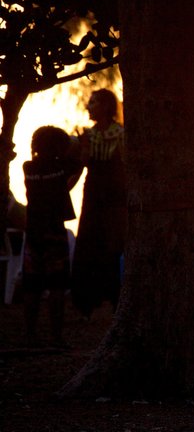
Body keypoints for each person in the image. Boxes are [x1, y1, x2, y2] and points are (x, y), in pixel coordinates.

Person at [70, 88, 127, 321]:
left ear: (105, 106)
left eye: (93, 102)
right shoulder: (88, 135)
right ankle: (87, 303)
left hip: (114, 198)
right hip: (93, 196)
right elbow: (82, 166)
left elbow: (125, 165)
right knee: (89, 245)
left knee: (114, 246)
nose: (89, 106)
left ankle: (116, 300)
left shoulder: (121, 134)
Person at [23, 126, 82, 347]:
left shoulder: (27, 167)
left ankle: (30, 335)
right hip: (55, 233)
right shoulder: (63, 166)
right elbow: (77, 160)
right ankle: (56, 337)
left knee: (32, 287)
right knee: (56, 286)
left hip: (33, 233)